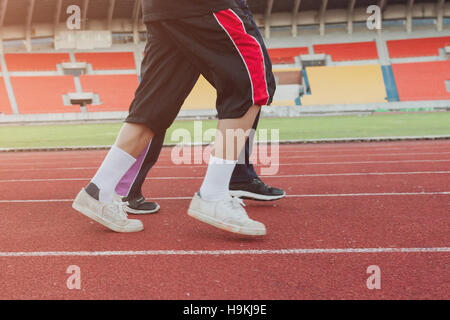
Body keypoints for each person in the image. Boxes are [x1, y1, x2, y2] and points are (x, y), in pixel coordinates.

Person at [72, 0, 277, 236]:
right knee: (251, 86)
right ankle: (214, 194)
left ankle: (100, 189)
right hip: (204, 6)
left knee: (155, 102)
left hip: (161, 9)